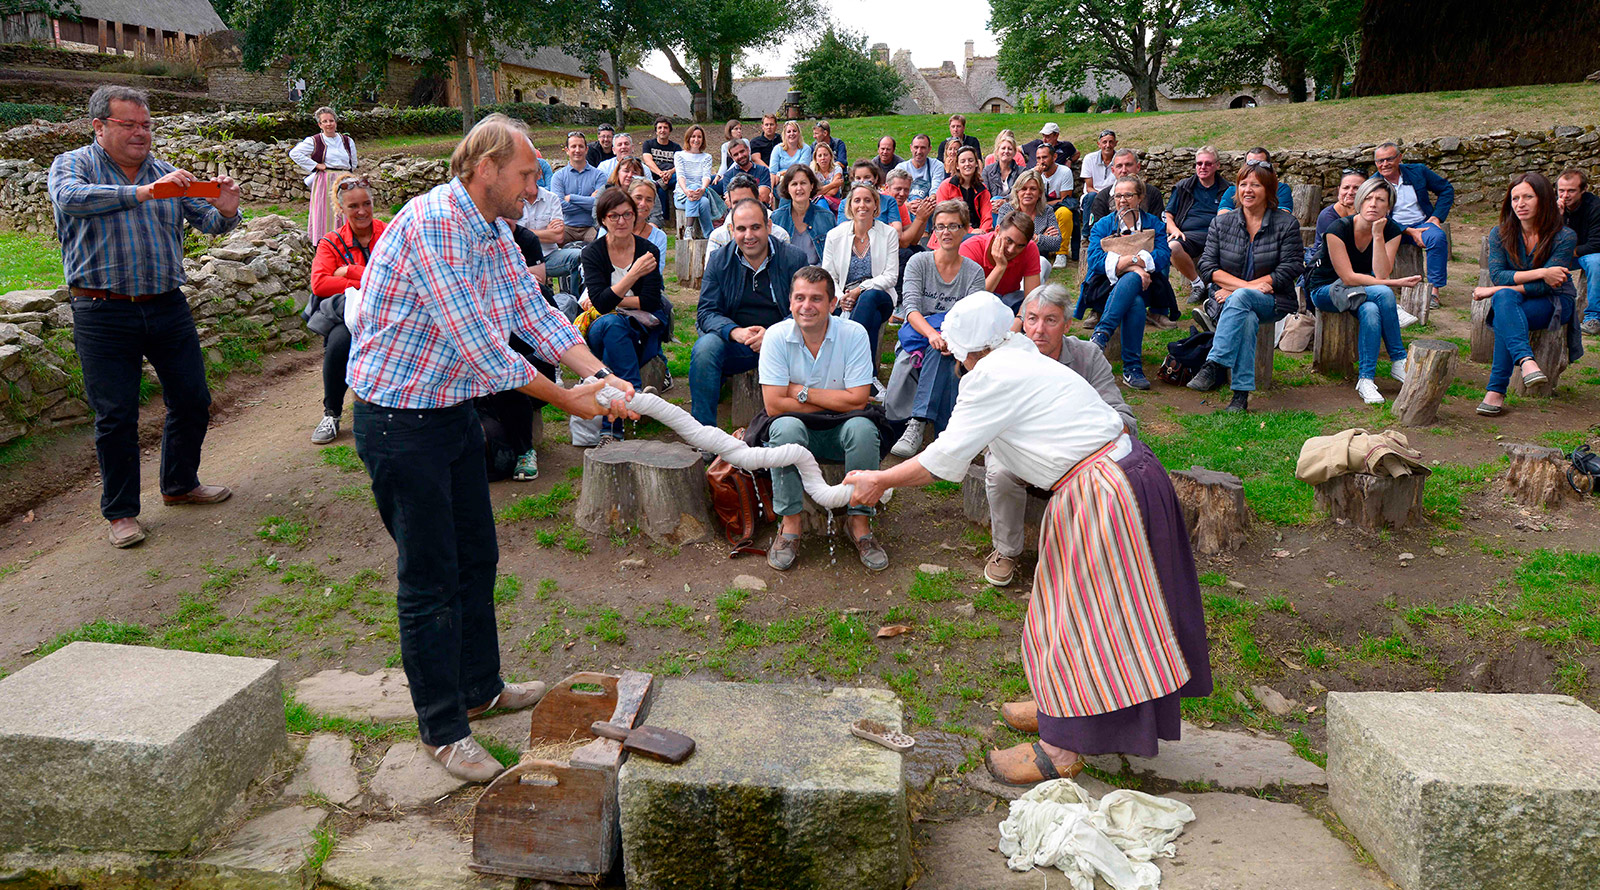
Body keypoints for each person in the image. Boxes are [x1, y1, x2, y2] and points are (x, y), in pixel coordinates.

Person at [348, 114, 634, 780]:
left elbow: (530, 314)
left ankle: (480, 689)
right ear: (486, 170)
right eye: (528, 174)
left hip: (446, 412)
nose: (535, 188)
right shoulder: (434, 226)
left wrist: (594, 371)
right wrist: (571, 399)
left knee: (477, 555)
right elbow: (483, 349)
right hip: (398, 422)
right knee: (429, 579)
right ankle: (442, 729)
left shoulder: (494, 231)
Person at [845, 291, 1212, 784]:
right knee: (1061, 607)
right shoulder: (1020, 354)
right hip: (1117, 476)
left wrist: (881, 479)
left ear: (963, 349)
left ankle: (1061, 749)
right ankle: (1061, 705)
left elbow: (942, 461)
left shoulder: (991, 377)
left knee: (1084, 616)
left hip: (1104, 491)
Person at [48, 84, 243, 549]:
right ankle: (121, 513)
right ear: (99, 127)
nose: (141, 133)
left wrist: (228, 211)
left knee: (193, 398)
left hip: (166, 303)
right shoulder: (72, 164)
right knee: (116, 416)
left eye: (146, 125)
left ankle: (179, 484)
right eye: (128, 124)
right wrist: (142, 192)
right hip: (100, 308)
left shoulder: (164, 172)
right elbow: (71, 199)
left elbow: (207, 221)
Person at [984, 283, 1138, 587]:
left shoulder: (1087, 356)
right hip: (1022, 450)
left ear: (1067, 324)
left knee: (1104, 476)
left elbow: (1124, 419)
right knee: (999, 471)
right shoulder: (1006, 356)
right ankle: (1006, 550)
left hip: (1075, 453)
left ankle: (1086, 560)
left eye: (1050, 320)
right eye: (1032, 319)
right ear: (1022, 321)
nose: (1039, 329)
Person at [759, 266, 887, 572]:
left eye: (816, 298)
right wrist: (835, 403)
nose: (807, 306)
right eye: (799, 298)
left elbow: (858, 398)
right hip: (799, 425)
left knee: (862, 428)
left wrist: (800, 392)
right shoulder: (776, 336)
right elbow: (774, 406)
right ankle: (790, 524)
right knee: (785, 427)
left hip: (842, 426)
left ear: (832, 303)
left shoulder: (853, 333)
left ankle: (859, 522)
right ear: (789, 302)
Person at [1186, 159, 1305, 413]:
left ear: (1269, 191)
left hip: (1273, 301)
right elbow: (1207, 266)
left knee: (1240, 300)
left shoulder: (1286, 224)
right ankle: (1240, 395)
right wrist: (1246, 288)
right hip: (1237, 299)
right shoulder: (1222, 223)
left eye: (1256, 185)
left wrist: (1237, 290)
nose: (1248, 190)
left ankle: (1214, 364)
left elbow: (1291, 267)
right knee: (1246, 316)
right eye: (1243, 184)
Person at [690, 199, 810, 428]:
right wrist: (734, 332)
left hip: (785, 343)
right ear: (731, 230)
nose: (749, 235)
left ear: (768, 226)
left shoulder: (794, 258)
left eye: (755, 227)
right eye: (741, 229)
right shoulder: (719, 261)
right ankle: (703, 434)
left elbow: (806, 310)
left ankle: (797, 428)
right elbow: (706, 311)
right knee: (705, 348)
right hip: (738, 343)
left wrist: (774, 334)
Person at [885, 201, 986, 458]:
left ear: (965, 229)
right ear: (934, 232)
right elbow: (910, 309)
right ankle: (943, 429)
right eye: (940, 227)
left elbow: (971, 316)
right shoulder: (919, 262)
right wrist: (932, 334)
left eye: (953, 226)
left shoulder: (973, 272)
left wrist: (945, 337)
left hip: (957, 337)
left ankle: (918, 422)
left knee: (944, 350)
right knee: (938, 347)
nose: (946, 232)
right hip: (918, 335)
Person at [1475, 172, 1581, 416]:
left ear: (1543, 199)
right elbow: (1499, 275)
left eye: (1527, 197)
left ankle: (1496, 391)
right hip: (1514, 299)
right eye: (1515, 198)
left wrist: (1494, 289)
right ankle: (1526, 361)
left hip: (1554, 302)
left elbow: (1547, 287)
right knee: (1504, 301)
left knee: (1503, 308)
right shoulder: (1500, 233)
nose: (1520, 204)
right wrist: (1542, 272)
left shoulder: (1564, 236)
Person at [1306, 178, 1419, 405]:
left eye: (1380, 200)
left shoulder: (1391, 230)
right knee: (1384, 294)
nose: (1373, 204)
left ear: (1389, 206)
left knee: (1370, 310)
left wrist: (1378, 236)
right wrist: (1395, 284)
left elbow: (1381, 273)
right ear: (1359, 201)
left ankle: (1366, 379)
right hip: (1326, 289)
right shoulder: (1337, 229)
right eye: (1368, 198)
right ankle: (1399, 358)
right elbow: (1347, 277)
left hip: (1362, 291)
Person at [581, 188, 669, 442]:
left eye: (627, 215)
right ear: (603, 220)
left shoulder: (648, 249)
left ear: (635, 216)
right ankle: (635, 392)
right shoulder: (593, 252)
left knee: (614, 339)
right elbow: (600, 302)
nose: (621, 221)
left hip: (641, 324)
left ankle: (612, 428)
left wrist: (614, 299)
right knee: (610, 324)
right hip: (601, 325)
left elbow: (652, 301)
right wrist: (632, 275)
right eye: (614, 216)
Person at [307, 176, 386, 445]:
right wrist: (368, 280)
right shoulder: (331, 242)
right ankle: (332, 413)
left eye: (367, 204)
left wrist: (350, 272)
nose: (362, 211)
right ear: (341, 209)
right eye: (353, 206)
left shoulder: (388, 233)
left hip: (388, 311)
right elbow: (320, 283)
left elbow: (399, 274)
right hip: (349, 315)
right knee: (339, 342)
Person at [1079, 176, 1175, 391]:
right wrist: (1134, 267)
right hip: (1106, 286)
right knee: (1136, 302)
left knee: (1135, 288)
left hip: (1147, 285)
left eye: (1128, 195)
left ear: (1140, 197)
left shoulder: (1154, 224)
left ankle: (1101, 334)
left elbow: (1162, 255)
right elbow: (1094, 259)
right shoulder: (1104, 224)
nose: (1122, 200)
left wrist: (1132, 263)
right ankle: (1132, 368)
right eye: (1118, 196)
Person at [822, 181, 899, 365]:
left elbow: (891, 276)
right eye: (857, 200)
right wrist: (842, 297)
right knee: (871, 319)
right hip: (843, 299)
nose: (862, 205)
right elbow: (828, 275)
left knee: (868, 298)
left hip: (880, 297)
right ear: (850, 206)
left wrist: (859, 291)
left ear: (875, 205)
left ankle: (844, 353)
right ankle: (868, 377)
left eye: (867, 200)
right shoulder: (834, 235)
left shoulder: (889, 234)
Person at [1372, 141, 1454, 308]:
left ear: (1400, 158)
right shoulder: (1373, 183)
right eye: (1380, 161)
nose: (1385, 164)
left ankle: (1433, 292)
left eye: (1389, 159)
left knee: (1437, 238)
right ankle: (1379, 291)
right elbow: (1372, 214)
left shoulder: (1418, 171)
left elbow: (1446, 189)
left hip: (1422, 224)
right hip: (1390, 228)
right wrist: (1407, 231)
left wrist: (1437, 217)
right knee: (1376, 248)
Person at [1164, 147, 1229, 301]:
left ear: (1217, 165)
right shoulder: (1183, 187)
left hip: (1217, 235)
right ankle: (1198, 284)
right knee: (1171, 246)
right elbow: (1167, 215)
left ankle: (1219, 286)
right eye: (1199, 163)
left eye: (1208, 163)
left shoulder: (1228, 189)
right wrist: (1174, 230)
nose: (1202, 167)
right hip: (1188, 235)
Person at [289, 106, 357, 243]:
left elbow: (353, 162)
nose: (329, 124)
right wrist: (316, 166)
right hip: (326, 179)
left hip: (345, 179)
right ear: (320, 124)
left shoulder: (347, 141)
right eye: (325, 121)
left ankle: (347, 241)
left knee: (346, 210)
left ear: (336, 122)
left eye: (331, 121)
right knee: (326, 212)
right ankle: (325, 242)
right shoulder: (315, 141)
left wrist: (347, 175)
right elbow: (295, 153)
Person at [517, 171, 582, 301]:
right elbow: (513, 236)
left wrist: (524, 232)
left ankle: (576, 303)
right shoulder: (514, 200)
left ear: (539, 175)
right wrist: (547, 233)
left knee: (581, 256)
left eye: (530, 173)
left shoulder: (551, 198)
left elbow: (559, 237)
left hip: (550, 256)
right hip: (523, 260)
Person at [961, 209, 1041, 311]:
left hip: (1011, 302)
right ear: (997, 231)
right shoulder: (970, 248)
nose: (1011, 250)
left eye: (1020, 246)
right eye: (1008, 240)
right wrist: (1000, 267)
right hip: (976, 309)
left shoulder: (1030, 248)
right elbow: (971, 301)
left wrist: (1019, 319)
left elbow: (1032, 299)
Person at [1556, 168, 1600, 335]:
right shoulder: (1552, 206)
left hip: (1588, 254)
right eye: (1561, 190)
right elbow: (1545, 240)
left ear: (1583, 190)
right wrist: (1557, 216)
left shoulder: (1595, 207)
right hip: (1563, 253)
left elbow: (1596, 244)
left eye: (1571, 190)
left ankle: (1593, 318)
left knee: (1597, 263)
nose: (1565, 195)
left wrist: (1568, 251)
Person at [706, 174, 790, 259]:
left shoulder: (780, 236)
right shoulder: (718, 237)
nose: (742, 206)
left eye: (747, 200)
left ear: (758, 200)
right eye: (736, 202)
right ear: (729, 204)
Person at [997, 169, 1062, 269]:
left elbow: (1056, 243)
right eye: (1024, 189)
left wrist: (1031, 238)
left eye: (1033, 189)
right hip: (1009, 259)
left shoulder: (1047, 211)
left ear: (1040, 193)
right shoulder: (1006, 209)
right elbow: (1002, 239)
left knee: (1043, 262)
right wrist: (1038, 238)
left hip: (1037, 260)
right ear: (1017, 192)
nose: (1028, 192)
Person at [773, 165, 833, 265]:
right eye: (794, 184)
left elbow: (832, 258)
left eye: (803, 183)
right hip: (787, 277)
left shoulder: (827, 217)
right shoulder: (777, 218)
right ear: (788, 188)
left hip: (818, 275)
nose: (799, 188)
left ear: (812, 185)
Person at [551, 131, 603, 244]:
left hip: (591, 227)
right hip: (566, 228)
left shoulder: (599, 175)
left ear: (587, 149)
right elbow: (558, 205)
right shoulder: (558, 177)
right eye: (573, 146)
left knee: (600, 245)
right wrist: (590, 201)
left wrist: (571, 198)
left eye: (581, 146)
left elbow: (600, 204)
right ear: (567, 150)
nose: (577, 150)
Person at [673, 124, 724, 238]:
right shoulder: (679, 155)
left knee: (698, 189)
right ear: (688, 138)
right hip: (682, 195)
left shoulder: (706, 157)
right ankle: (709, 234)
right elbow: (680, 176)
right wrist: (686, 191)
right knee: (704, 202)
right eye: (693, 136)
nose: (696, 140)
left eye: (699, 137)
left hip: (700, 191)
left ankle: (689, 229)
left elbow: (706, 176)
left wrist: (702, 189)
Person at [1088, 149, 1164, 219]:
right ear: (1113, 170)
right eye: (1119, 166)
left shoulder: (1153, 194)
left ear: (1138, 167)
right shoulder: (1102, 198)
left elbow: (1159, 228)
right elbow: (1096, 231)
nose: (1124, 170)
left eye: (1128, 165)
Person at [935, 145, 993, 235]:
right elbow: (944, 215)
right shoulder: (946, 186)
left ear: (976, 164)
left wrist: (983, 233)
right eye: (963, 161)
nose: (967, 164)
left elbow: (987, 217)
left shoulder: (982, 189)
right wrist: (971, 231)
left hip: (979, 233)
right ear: (957, 166)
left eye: (971, 160)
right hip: (952, 233)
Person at [1218, 148, 1294, 215]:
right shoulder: (1232, 191)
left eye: (1261, 164)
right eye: (1251, 164)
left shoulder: (1281, 189)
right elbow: (1223, 217)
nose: (1256, 168)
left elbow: (1282, 219)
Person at [641, 117, 682, 223]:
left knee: (679, 177)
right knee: (660, 189)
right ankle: (664, 219)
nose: (662, 130)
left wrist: (670, 172)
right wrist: (661, 173)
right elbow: (648, 161)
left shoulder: (676, 147)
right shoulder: (648, 144)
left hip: (672, 177)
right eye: (660, 128)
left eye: (665, 128)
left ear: (669, 130)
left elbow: (680, 165)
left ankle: (664, 218)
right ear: (656, 130)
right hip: (656, 177)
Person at [1078, 129, 1118, 234]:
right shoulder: (1089, 159)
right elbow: (1089, 187)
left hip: (1113, 194)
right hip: (1094, 194)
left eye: (1111, 142)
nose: (1108, 145)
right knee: (1091, 197)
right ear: (1099, 144)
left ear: (1116, 143)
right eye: (1104, 142)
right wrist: (1101, 195)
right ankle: (1087, 234)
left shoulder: (1119, 159)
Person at [883, 168, 934, 250]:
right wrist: (919, 219)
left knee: (918, 249)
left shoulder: (900, 205)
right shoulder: (881, 205)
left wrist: (925, 216)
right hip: (883, 252)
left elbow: (913, 241)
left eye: (906, 190)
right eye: (898, 189)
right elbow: (902, 243)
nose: (902, 194)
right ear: (887, 188)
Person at [626, 177, 669, 272]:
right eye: (638, 198)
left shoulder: (659, 237)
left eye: (649, 200)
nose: (643, 203)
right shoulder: (609, 229)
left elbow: (657, 272)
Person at [712, 138, 772, 205]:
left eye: (742, 151)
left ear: (748, 150)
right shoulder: (728, 175)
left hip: (760, 210)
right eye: (736, 154)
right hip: (737, 213)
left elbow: (763, 196)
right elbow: (729, 202)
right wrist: (755, 195)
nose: (740, 156)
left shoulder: (763, 170)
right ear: (732, 158)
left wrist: (738, 198)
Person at [1318, 169, 1368, 243]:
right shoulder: (1327, 216)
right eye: (1346, 188)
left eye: (1356, 188)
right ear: (1339, 189)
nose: (1350, 192)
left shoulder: (1371, 212)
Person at [895, 133, 946, 202]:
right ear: (911, 148)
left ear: (929, 149)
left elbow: (936, 188)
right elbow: (896, 192)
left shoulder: (936, 165)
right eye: (916, 147)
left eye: (923, 148)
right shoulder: (901, 168)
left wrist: (928, 201)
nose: (919, 152)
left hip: (929, 205)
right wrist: (907, 205)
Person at [983, 130, 1023, 215]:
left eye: (1010, 149)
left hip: (1014, 209)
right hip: (992, 209)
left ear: (1014, 152)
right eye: (1003, 148)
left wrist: (1005, 201)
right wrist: (994, 204)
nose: (1006, 151)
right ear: (997, 151)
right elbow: (985, 193)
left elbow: (1020, 194)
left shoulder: (1021, 172)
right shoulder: (987, 170)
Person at [810, 140, 845, 209]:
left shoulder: (837, 169)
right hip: (818, 202)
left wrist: (818, 193)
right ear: (816, 159)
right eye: (820, 156)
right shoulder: (812, 171)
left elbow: (833, 192)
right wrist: (833, 184)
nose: (823, 158)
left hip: (835, 201)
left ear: (830, 157)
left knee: (821, 200)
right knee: (821, 201)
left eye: (825, 155)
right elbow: (812, 193)